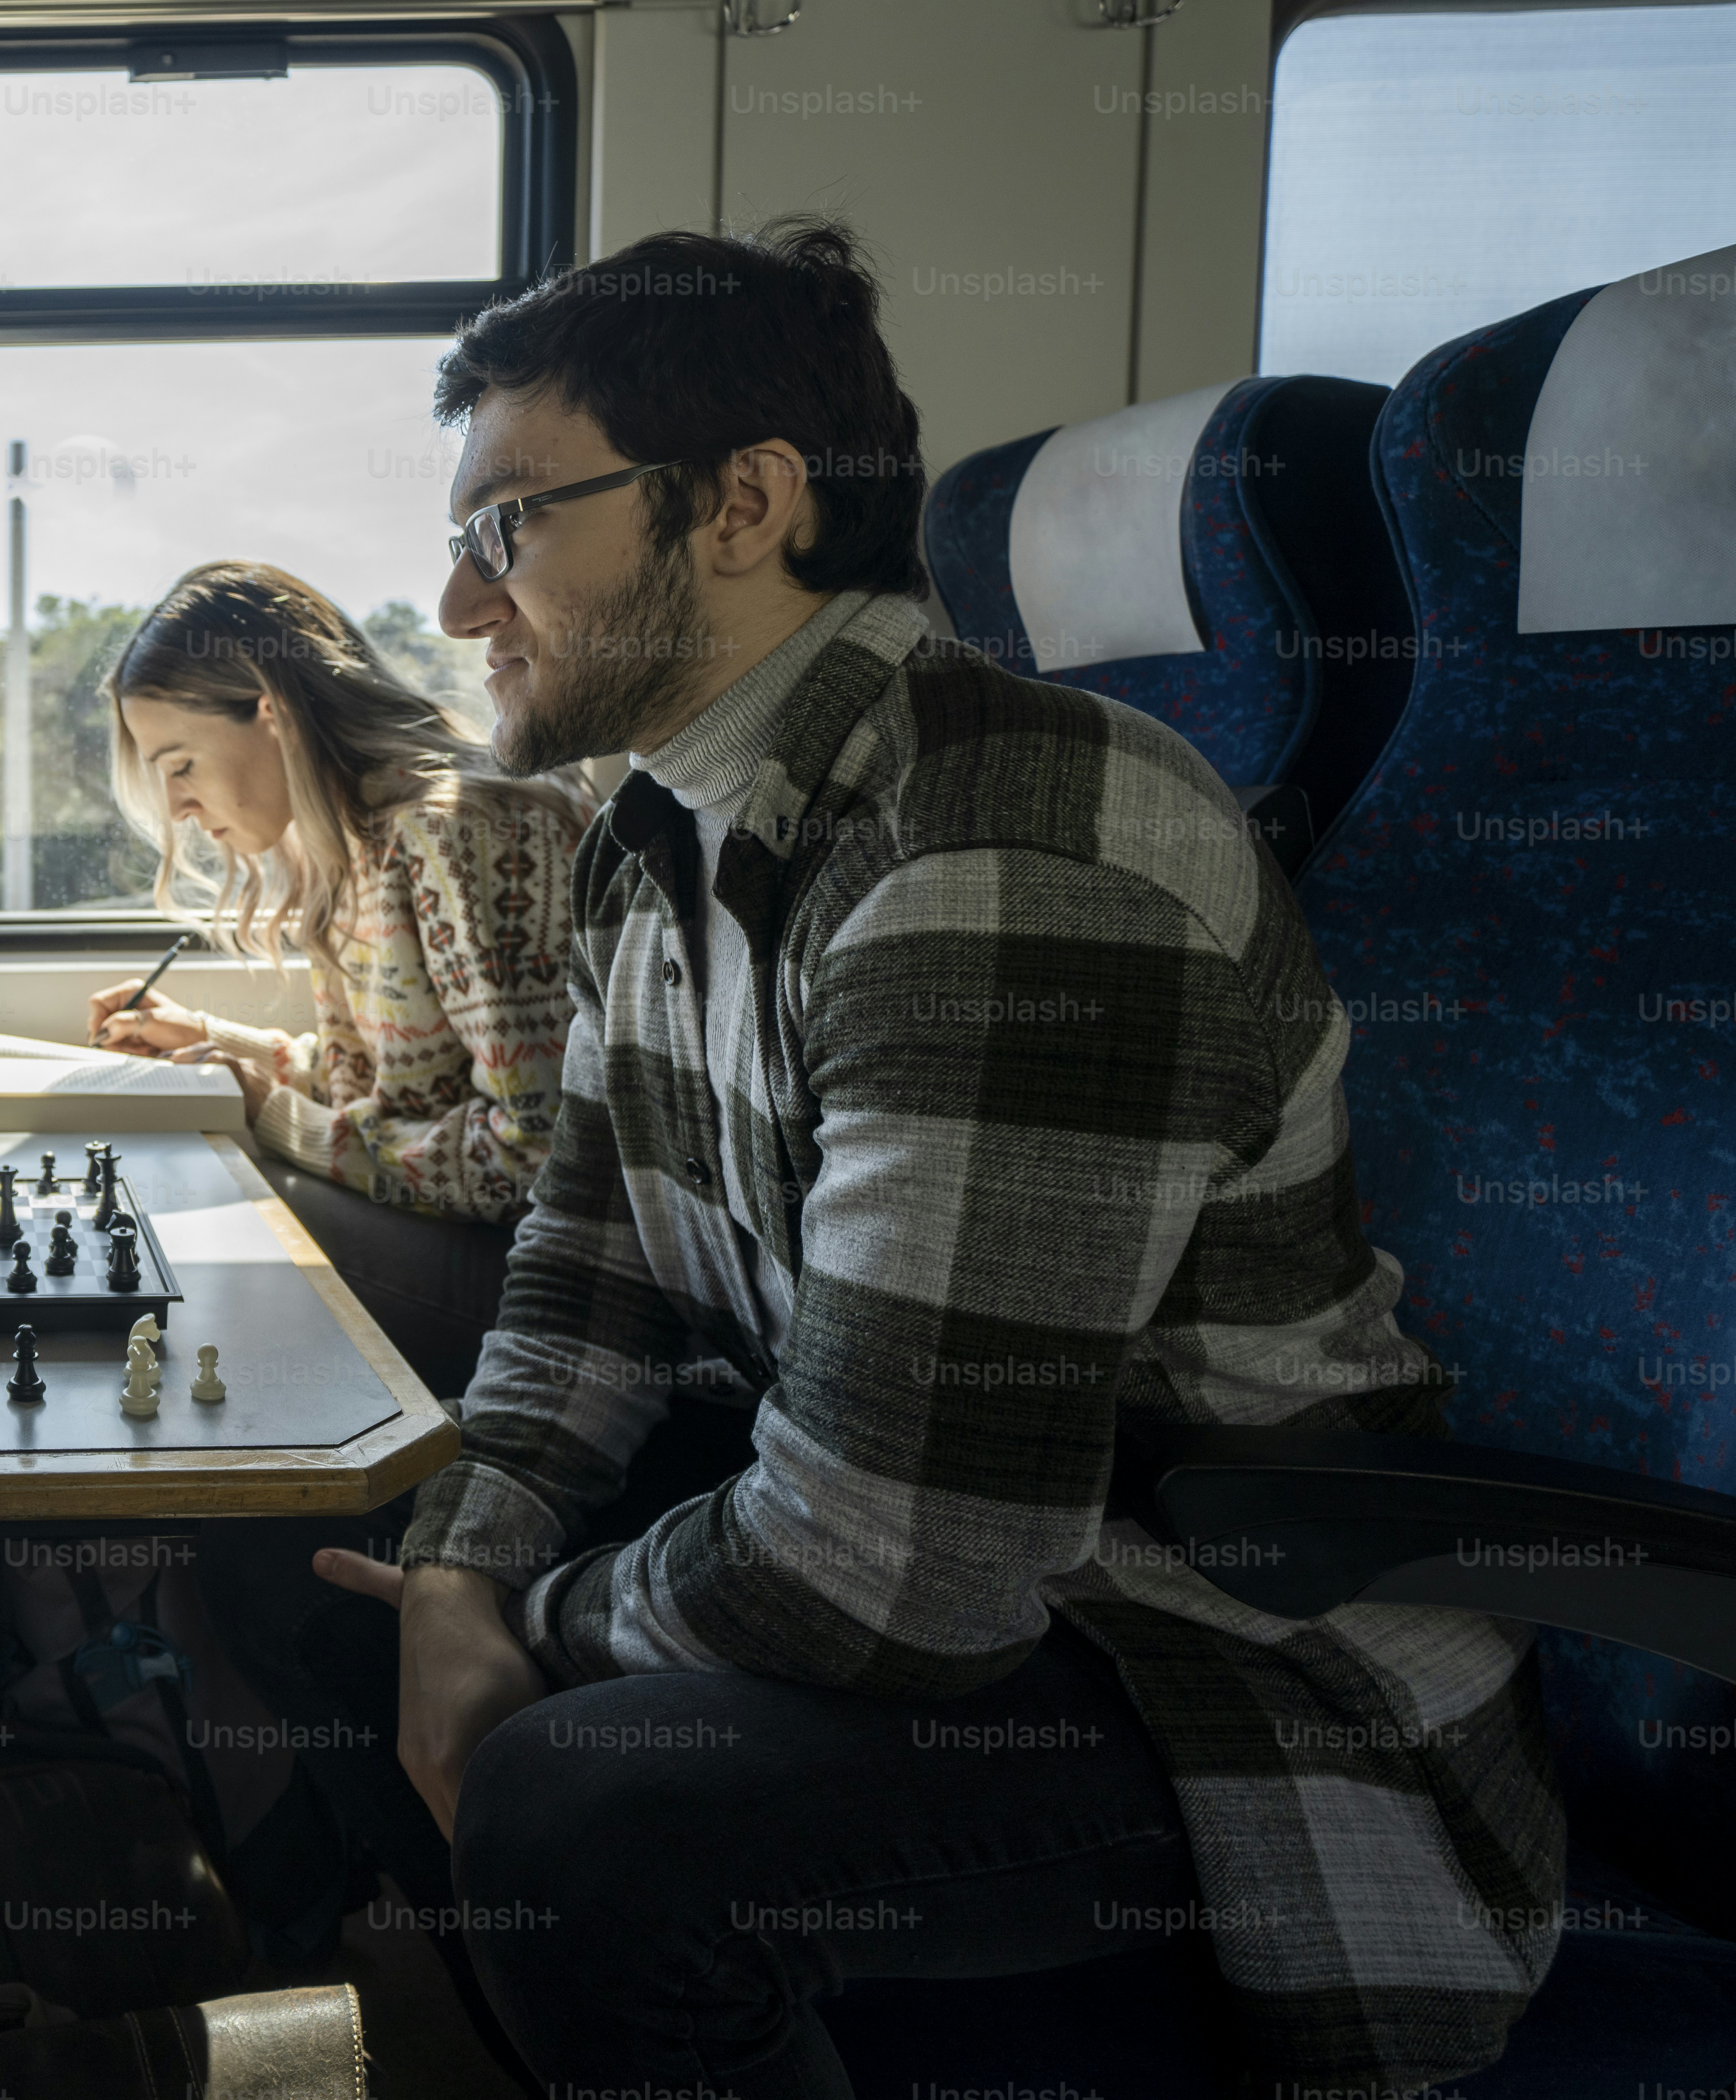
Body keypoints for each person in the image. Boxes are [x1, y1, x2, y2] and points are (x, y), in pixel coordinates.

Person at [267, 218, 1557, 2098]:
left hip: (1201, 1650)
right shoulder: (658, 825)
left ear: (740, 502)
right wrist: (462, 1563)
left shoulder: (994, 848)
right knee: (319, 1580)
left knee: (582, 1817)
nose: (462, 607)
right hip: (971, 1552)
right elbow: (585, 1267)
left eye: (508, 528)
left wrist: (514, 1623)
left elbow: (888, 1578)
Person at [88, 560, 589, 1396]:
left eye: (180, 764)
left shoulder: (460, 836)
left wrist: (276, 1115)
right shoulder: (362, 840)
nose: (176, 806)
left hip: (543, 1283)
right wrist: (222, 1047)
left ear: (270, 711)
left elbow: (533, 1157)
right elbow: (407, 1085)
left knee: (207, 1215)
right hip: (456, 1232)